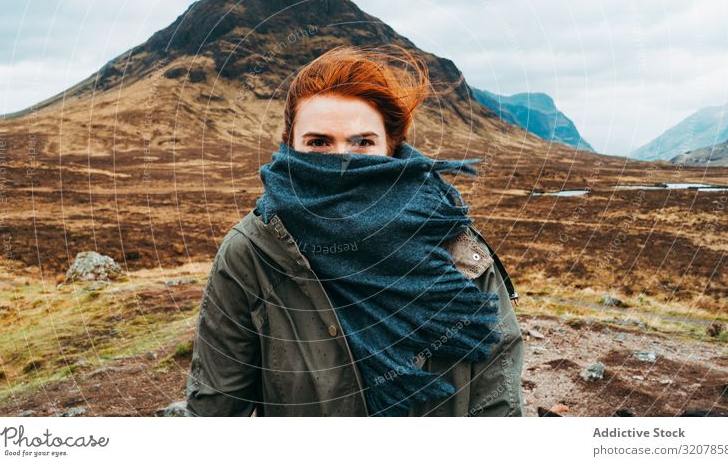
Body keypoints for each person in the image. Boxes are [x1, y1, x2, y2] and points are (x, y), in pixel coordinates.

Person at [186, 44, 525, 416]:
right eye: (318, 143)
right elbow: (214, 414)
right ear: (290, 146)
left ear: (391, 148)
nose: (342, 161)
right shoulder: (252, 254)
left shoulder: (457, 251)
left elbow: (499, 408)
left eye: (363, 142)